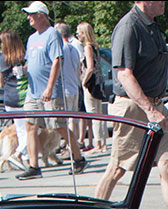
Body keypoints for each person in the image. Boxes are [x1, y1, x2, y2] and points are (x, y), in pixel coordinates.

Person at [94, 0, 168, 209]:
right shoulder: (128, 26)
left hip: (155, 106)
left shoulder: (152, 25)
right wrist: (149, 110)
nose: (164, 3)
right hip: (133, 106)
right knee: (117, 168)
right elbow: (124, 74)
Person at [19, 1, 82, 178]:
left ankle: (78, 158)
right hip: (33, 92)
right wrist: (23, 70)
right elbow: (30, 62)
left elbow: (57, 60)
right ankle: (33, 166)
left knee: (58, 126)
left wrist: (49, 87)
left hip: (50, 92)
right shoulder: (32, 38)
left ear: (41, 15)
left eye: (31, 14)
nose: (28, 17)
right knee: (30, 126)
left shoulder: (52, 34)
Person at [54, 22, 85, 160]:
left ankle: (70, 148)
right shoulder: (74, 48)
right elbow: (79, 69)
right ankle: (75, 145)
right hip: (74, 87)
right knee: (73, 120)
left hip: (65, 88)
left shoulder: (62, 49)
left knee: (65, 122)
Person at [77, 23, 107, 155]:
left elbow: (90, 67)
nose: (77, 35)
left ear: (84, 33)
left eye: (79, 32)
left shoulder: (88, 48)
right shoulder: (95, 47)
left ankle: (98, 144)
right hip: (98, 83)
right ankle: (103, 143)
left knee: (93, 114)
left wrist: (84, 81)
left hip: (90, 84)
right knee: (99, 114)